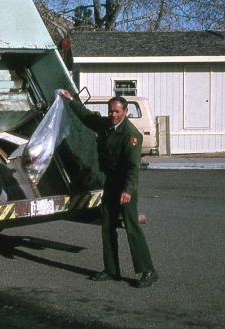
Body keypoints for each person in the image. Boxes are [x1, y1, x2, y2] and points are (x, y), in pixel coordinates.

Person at [59, 90, 158, 288]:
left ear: (126, 112)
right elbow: (87, 117)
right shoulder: (107, 125)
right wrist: (71, 100)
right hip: (111, 184)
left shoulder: (131, 135)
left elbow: (133, 168)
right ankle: (111, 270)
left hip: (125, 187)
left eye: (117, 111)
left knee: (131, 228)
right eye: (111, 111)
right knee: (108, 227)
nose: (113, 114)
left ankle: (148, 271)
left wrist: (128, 191)